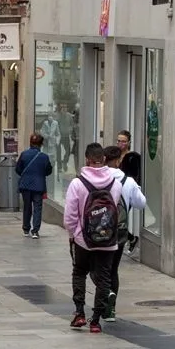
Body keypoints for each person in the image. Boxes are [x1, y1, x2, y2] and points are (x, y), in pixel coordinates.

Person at [64, 143, 123, 334]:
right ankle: (96, 320)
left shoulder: (77, 184)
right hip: (108, 240)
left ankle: (80, 312)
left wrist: (73, 235)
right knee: (104, 278)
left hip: (84, 240)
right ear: (104, 159)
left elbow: (70, 216)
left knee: (80, 272)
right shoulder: (116, 183)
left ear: (87, 159)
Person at [102, 146, 147, 322]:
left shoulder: (97, 177)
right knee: (113, 269)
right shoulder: (128, 181)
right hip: (119, 231)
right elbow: (142, 203)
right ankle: (110, 310)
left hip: (97, 230)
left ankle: (106, 295)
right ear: (119, 161)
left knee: (97, 267)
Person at [15, 134, 53, 239]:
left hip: (26, 185)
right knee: (37, 207)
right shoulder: (44, 157)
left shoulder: (24, 154)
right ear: (41, 144)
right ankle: (35, 231)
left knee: (27, 207)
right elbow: (48, 171)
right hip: (39, 185)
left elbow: (18, 169)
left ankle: (26, 229)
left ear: (30, 142)